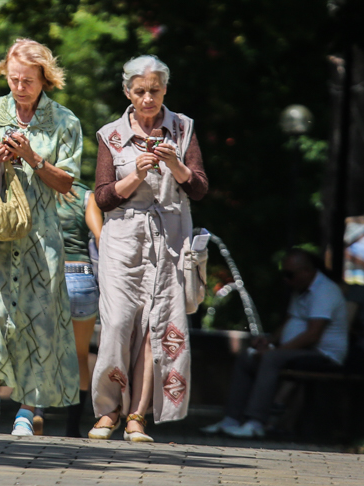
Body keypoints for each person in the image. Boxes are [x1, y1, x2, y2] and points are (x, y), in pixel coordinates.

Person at [0, 38, 82, 436]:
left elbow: (66, 183)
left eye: (27, 80)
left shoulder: (65, 122)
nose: (19, 87)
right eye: (13, 79)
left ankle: (28, 409)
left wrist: (30, 156)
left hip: (41, 238)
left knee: (39, 323)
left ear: (45, 78)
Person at [89, 55, 208, 442]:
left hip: (170, 240)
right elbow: (103, 197)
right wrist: (136, 175)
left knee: (157, 326)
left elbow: (200, 188)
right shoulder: (111, 134)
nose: (147, 98)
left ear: (165, 90)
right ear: (127, 92)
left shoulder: (183, 128)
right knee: (118, 324)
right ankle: (107, 410)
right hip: (123, 240)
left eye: (154, 91)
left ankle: (137, 415)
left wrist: (177, 166)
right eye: (139, 91)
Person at [202, 249, 349, 438]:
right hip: (302, 350)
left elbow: (313, 335)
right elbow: (290, 321)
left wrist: (275, 351)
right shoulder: (302, 288)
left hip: (325, 355)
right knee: (248, 356)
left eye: (290, 274)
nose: (286, 280)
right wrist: (269, 341)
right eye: (284, 274)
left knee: (271, 359)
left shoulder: (325, 291)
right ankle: (232, 419)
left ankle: (255, 422)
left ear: (305, 271)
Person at [34, 183, 103, 437]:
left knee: (43, 351)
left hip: (48, 278)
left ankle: (38, 413)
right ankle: (72, 426)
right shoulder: (87, 196)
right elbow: (100, 235)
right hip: (82, 279)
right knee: (80, 356)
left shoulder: (39, 189)